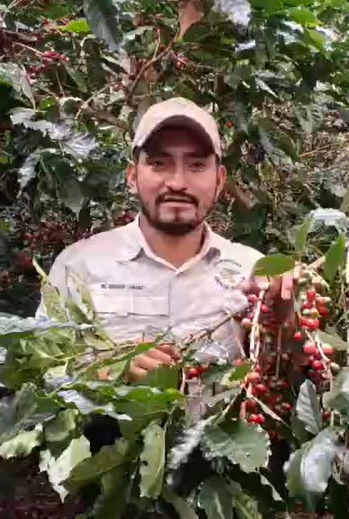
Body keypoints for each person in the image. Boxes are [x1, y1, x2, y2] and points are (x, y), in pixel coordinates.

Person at [37, 97, 293, 383]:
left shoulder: (252, 270)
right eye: (159, 164)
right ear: (133, 177)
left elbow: (277, 378)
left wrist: (282, 322)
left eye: (196, 165)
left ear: (220, 181)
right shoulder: (79, 265)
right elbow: (38, 372)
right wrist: (104, 372)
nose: (177, 183)